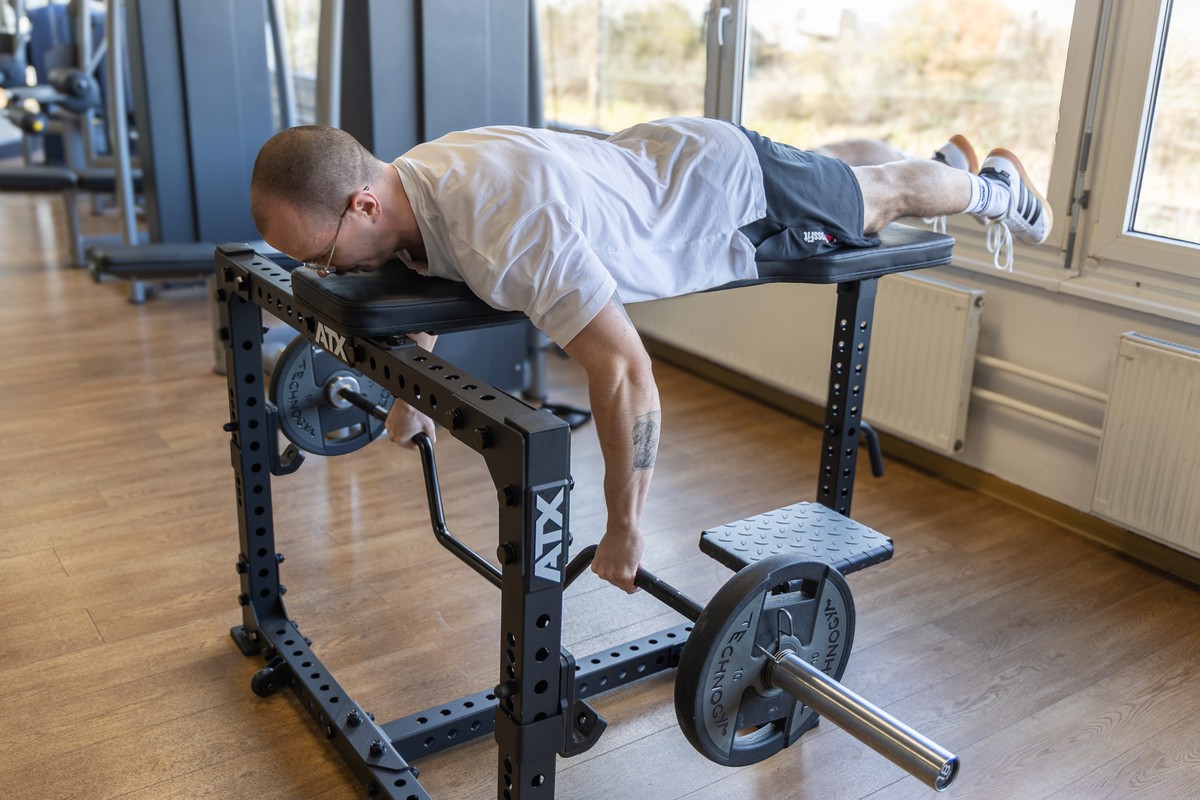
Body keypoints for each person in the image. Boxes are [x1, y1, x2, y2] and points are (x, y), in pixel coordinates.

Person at [249, 117, 1051, 593]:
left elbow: (626, 371)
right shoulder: (411, 179)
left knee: (878, 202)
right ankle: (944, 164)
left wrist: (626, 528)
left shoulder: (508, 229)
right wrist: (408, 395)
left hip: (726, 197)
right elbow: (419, 273)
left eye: (322, 254)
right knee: (841, 182)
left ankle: (995, 187)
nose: (327, 272)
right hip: (664, 160)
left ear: (363, 202)